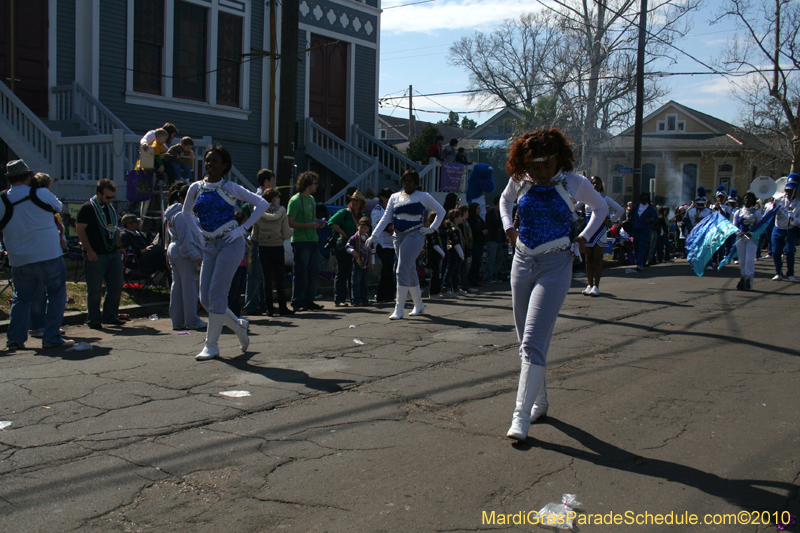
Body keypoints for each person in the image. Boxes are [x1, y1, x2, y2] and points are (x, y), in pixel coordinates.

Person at [499, 129, 607, 441]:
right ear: (524, 163)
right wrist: (509, 228)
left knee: (532, 340)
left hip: (556, 264)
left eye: (548, 165)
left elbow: (601, 209)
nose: (542, 173)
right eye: (535, 166)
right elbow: (505, 202)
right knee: (525, 343)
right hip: (521, 262)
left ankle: (520, 415)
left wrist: (585, 237)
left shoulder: (573, 182)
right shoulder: (520, 180)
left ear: (558, 159)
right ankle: (540, 401)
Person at [182, 144, 269, 361]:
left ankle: (211, 345)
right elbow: (186, 213)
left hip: (231, 244)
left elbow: (262, 203)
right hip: (209, 246)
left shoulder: (230, 187)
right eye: (207, 160)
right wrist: (199, 234)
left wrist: (242, 228)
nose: (209, 164)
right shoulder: (196, 187)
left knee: (217, 294)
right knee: (206, 298)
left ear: (224, 166)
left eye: (215, 161)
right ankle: (239, 327)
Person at [0, 160, 72, 350]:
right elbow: (60, 209)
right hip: (48, 253)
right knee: (56, 295)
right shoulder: (40, 193)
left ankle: (15, 339)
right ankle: (51, 337)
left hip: (19, 258)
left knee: (21, 299)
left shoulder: (2, 199)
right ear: (28, 176)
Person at [368, 169, 446, 319]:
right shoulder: (394, 197)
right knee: (409, 270)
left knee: (401, 269)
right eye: (404, 180)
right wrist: (374, 235)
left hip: (415, 234)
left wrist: (432, 229)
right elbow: (385, 218)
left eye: (410, 180)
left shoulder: (422, 196)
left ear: (416, 182)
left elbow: (441, 211)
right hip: (397, 236)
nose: (406, 183)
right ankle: (418, 304)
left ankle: (399, 308)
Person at [76, 179, 126, 330]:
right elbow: (80, 230)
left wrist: (119, 246)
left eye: (112, 197)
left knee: (116, 285)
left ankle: (110, 315)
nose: (110, 200)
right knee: (95, 288)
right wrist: (89, 250)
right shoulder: (87, 208)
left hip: (112, 253)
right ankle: (94, 319)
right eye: (107, 197)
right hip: (96, 254)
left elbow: (115, 228)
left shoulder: (110, 209)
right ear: (99, 194)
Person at [165, 183, 206, 330]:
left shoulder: (175, 214)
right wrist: (196, 257)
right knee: (189, 287)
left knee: (178, 286)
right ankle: (191, 319)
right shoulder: (183, 215)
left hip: (176, 250)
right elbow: (187, 241)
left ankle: (178, 320)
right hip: (184, 253)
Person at [287, 171, 327, 312]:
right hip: (300, 240)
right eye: (315, 183)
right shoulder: (295, 200)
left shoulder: (311, 199)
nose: (317, 186)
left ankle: (309, 301)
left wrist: (318, 223)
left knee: (313, 272)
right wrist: (307, 225)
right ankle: (298, 301)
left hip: (313, 239)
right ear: (308, 184)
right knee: (301, 272)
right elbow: (290, 222)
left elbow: (311, 219)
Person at [251, 188, 293, 316]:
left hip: (263, 246)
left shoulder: (258, 211)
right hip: (277, 245)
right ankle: (282, 307)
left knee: (267, 278)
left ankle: (269, 307)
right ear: (275, 198)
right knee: (280, 278)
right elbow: (286, 233)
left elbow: (254, 235)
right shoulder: (281, 212)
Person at [579, 176, 622, 296]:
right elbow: (572, 208)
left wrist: (611, 220)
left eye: (597, 183)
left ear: (601, 185)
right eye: (592, 183)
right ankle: (589, 285)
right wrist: (577, 219)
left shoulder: (605, 198)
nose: (595, 185)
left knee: (597, 259)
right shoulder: (585, 199)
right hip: (588, 232)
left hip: (601, 232)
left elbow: (620, 210)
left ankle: (596, 286)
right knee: (588, 260)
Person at [243, 169, 277, 315]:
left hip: (265, 240)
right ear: (266, 182)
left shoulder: (263, 197)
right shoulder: (257, 197)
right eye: (272, 181)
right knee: (255, 274)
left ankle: (261, 303)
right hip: (256, 239)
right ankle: (251, 305)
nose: (274, 184)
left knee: (263, 274)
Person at [329, 190, 366, 307]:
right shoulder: (344, 213)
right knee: (342, 272)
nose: (354, 202)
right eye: (353, 200)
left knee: (354, 273)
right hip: (344, 245)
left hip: (358, 247)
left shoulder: (362, 216)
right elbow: (331, 222)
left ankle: (354, 298)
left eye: (357, 201)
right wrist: (342, 232)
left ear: (361, 203)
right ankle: (339, 299)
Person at [771, 174, 800, 282]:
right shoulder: (779, 201)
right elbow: (769, 213)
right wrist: (772, 207)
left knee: (789, 252)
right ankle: (778, 272)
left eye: (790, 190)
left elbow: (799, 221)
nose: (787, 192)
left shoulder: (798, 204)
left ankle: (790, 273)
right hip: (778, 229)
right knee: (776, 252)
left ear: (795, 191)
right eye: (786, 190)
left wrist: (794, 219)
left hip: (790, 230)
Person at [371, 188, 396, 303]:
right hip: (381, 243)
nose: (388, 199)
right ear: (381, 197)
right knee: (388, 267)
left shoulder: (391, 209)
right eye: (386, 197)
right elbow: (377, 226)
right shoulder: (377, 210)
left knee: (386, 268)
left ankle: (381, 294)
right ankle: (389, 294)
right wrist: (390, 227)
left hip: (391, 242)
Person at [733, 191, 762, 290]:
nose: (747, 199)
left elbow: (761, 227)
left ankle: (750, 280)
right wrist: (738, 233)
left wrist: (752, 233)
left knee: (749, 259)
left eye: (749, 198)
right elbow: (734, 226)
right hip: (740, 238)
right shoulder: (738, 212)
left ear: (753, 200)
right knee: (742, 260)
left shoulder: (756, 212)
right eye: (745, 197)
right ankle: (743, 279)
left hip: (751, 239)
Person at [345, 217, 375, 306]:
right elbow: (347, 247)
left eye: (365, 228)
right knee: (356, 282)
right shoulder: (354, 238)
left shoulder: (369, 239)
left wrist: (372, 263)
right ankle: (356, 300)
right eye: (361, 227)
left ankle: (364, 299)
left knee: (364, 283)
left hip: (366, 263)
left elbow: (372, 252)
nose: (362, 230)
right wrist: (352, 251)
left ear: (368, 229)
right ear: (358, 226)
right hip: (357, 263)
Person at [629, 193, 658, 272]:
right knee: (636, 246)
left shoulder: (651, 208)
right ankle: (638, 261)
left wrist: (650, 220)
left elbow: (655, 217)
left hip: (645, 229)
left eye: (646, 199)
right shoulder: (636, 206)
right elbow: (630, 215)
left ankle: (640, 263)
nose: (644, 200)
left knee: (642, 246)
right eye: (643, 199)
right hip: (636, 229)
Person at [441, 209, 466, 296]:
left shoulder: (455, 228)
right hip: (453, 252)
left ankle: (456, 287)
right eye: (460, 217)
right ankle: (446, 287)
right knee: (450, 270)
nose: (461, 218)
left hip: (455, 253)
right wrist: (461, 254)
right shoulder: (454, 229)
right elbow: (456, 243)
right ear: (456, 218)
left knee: (456, 271)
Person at [483, 196, 506, 284]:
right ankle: (488, 277)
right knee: (491, 259)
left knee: (499, 259)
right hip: (492, 239)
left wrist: (505, 240)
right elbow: (496, 224)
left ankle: (495, 276)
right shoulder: (491, 212)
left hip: (499, 239)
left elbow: (502, 228)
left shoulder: (499, 213)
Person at [425, 211, 446, 299]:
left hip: (435, 254)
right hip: (433, 254)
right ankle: (433, 292)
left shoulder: (434, 231)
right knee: (435, 273)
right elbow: (435, 244)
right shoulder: (432, 231)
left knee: (437, 273)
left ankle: (436, 291)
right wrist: (442, 253)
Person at [467, 202, 487, 286]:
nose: (479, 210)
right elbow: (473, 232)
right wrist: (482, 232)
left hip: (480, 242)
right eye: (478, 209)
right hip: (474, 242)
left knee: (478, 262)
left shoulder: (479, 218)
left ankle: (475, 279)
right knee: (476, 261)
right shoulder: (471, 219)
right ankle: (471, 279)